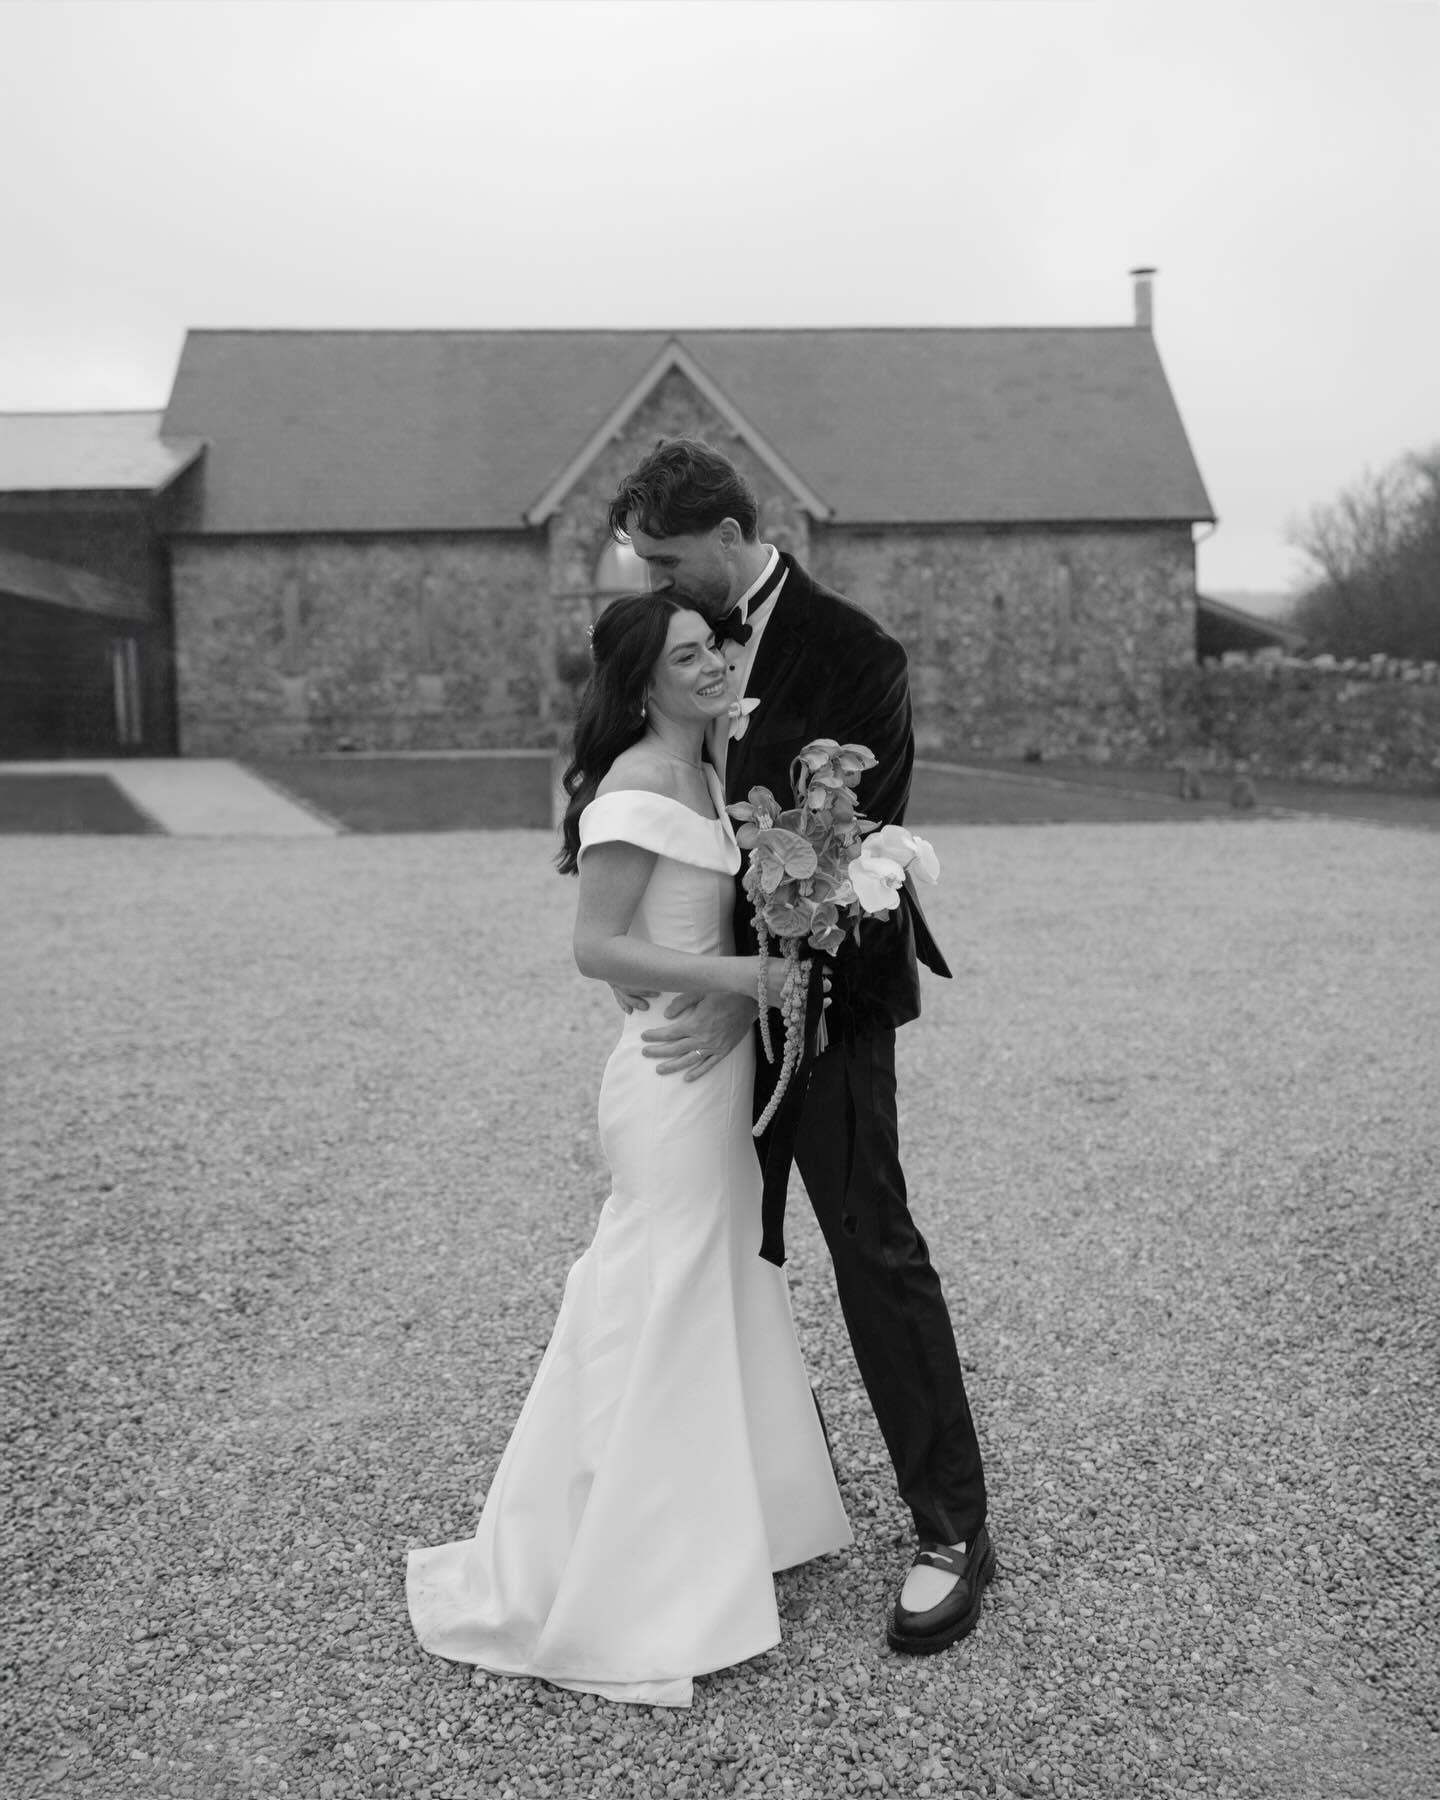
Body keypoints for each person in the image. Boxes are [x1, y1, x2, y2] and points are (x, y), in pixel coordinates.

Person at [406, 593, 851, 1708]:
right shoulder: (637, 787)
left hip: (719, 1069)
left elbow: (697, 925)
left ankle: (717, 1520)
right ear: (644, 683)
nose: (711, 667)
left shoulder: (713, 776)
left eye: (716, 648)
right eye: (686, 657)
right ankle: (632, 1563)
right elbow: (595, 945)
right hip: (668, 1080)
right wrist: (746, 982)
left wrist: (765, 969)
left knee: (709, 1280)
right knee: (663, 1282)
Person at [605, 437, 993, 1655]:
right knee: (727, 1255)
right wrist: (709, 976)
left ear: (730, 536)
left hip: (831, 1010)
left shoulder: (858, 653)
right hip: (715, 1024)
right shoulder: (689, 647)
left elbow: (859, 850)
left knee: (870, 1245)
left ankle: (952, 1528)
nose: (658, 582)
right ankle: (752, 1507)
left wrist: (763, 987)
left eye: (668, 558)